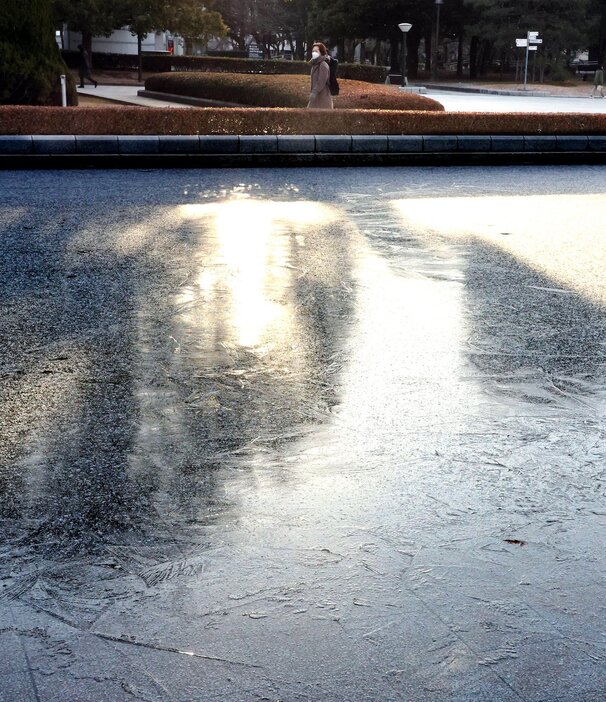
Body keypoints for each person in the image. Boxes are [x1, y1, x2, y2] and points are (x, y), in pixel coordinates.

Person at [307, 42, 333, 109]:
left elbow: (321, 81)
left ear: (321, 52)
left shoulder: (323, 64)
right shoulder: (315, 64)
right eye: (313, 51)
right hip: (316, 98)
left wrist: (314, 92)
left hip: (323, 98)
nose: (314, 53)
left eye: (316, 51)